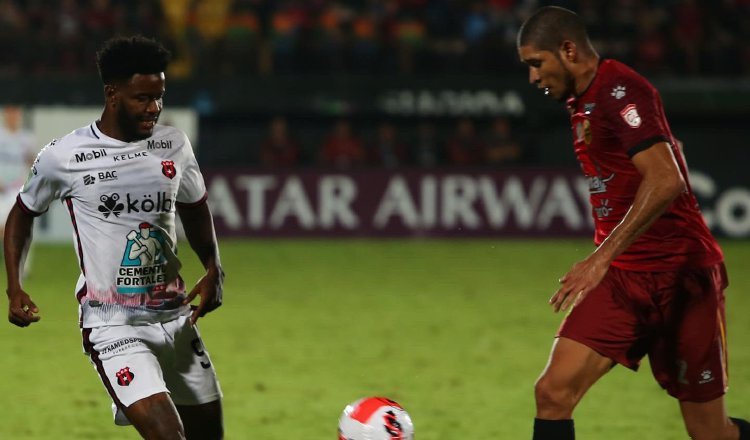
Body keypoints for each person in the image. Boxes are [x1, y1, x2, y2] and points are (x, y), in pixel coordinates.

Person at [516, 7, 748, 440]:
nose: (533, 77)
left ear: (568, 50)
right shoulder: (581, 99)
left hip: (682, 277)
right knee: (552, 393)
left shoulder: (619, 89)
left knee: (709, 432)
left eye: (536, 63)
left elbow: (665, 179)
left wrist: (599, 259)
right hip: (625, 281)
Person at [4, 36, 224, 439]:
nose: (154, 108)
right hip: (113, 325)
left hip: (176, 319)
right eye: (142, 98)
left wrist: (214, 268)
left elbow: (194, 207)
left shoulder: (173, 144)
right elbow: (22, 212)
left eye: (159, 97)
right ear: (112, 94)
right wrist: (14, 286)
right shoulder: (66, 155)